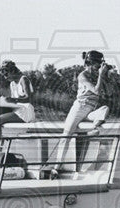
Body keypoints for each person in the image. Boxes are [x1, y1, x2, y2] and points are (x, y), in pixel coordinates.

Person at [45, 50, 111, 178]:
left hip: (91, 109)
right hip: (80, 107)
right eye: (98, 64)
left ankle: (94, 130)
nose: (99, 67)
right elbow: (97, 91)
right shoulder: (83, 75)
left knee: (105, 109)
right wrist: (101, 76)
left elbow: (109, 92)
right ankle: (57, 167)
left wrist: (105, 77)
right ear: (90, 63)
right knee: (67, 135)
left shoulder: (98, 75)